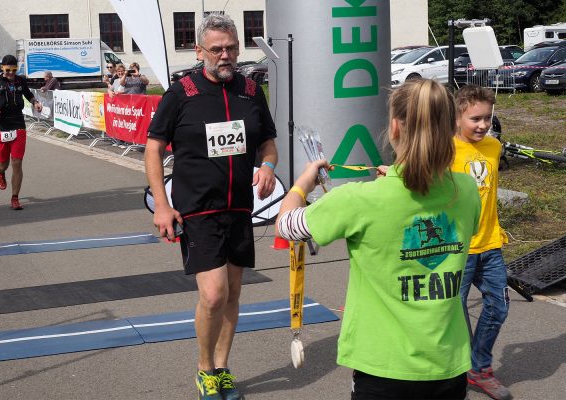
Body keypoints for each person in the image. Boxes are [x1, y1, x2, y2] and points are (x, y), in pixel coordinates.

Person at [276, 79, 482, 400]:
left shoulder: (361, 200)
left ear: (395, 127)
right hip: (449, 365)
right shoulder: (467, 190)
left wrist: (302, 183)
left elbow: (287, 225)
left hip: (384, 369)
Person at [145, 13, 278, 400]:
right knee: (214, 294)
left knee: (234, 292)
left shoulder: (251, 91)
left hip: (239, 206)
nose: (225, 55)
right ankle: (204, 368)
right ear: (199, 50)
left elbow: (267, 141)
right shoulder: (181, 93)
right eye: (217, 49)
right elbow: (153, 150)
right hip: (197, 209)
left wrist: (268, 165)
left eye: (231, 48)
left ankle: (222, 367)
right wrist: (162, 206)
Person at [451, 84, 511, 400]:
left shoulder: (493, 147)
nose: (483, 125)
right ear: (458, 116)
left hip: (490, 244)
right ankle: (458, 367)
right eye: (475, 118)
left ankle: (478, 367)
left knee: (499, 307)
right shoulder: (443, 151)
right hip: (456, 251)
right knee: (453, 315)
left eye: (487, 118)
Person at [0, 54, 42, 210]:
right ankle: (0, 173)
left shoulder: (20, 80)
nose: (11, 73)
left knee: (17, 162)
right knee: (3, 164)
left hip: (18, 124)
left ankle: (15, 198)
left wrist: (35, 102)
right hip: (0, 127)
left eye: (14, 70)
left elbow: (29, 94)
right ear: (2, 68)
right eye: (8, 70)